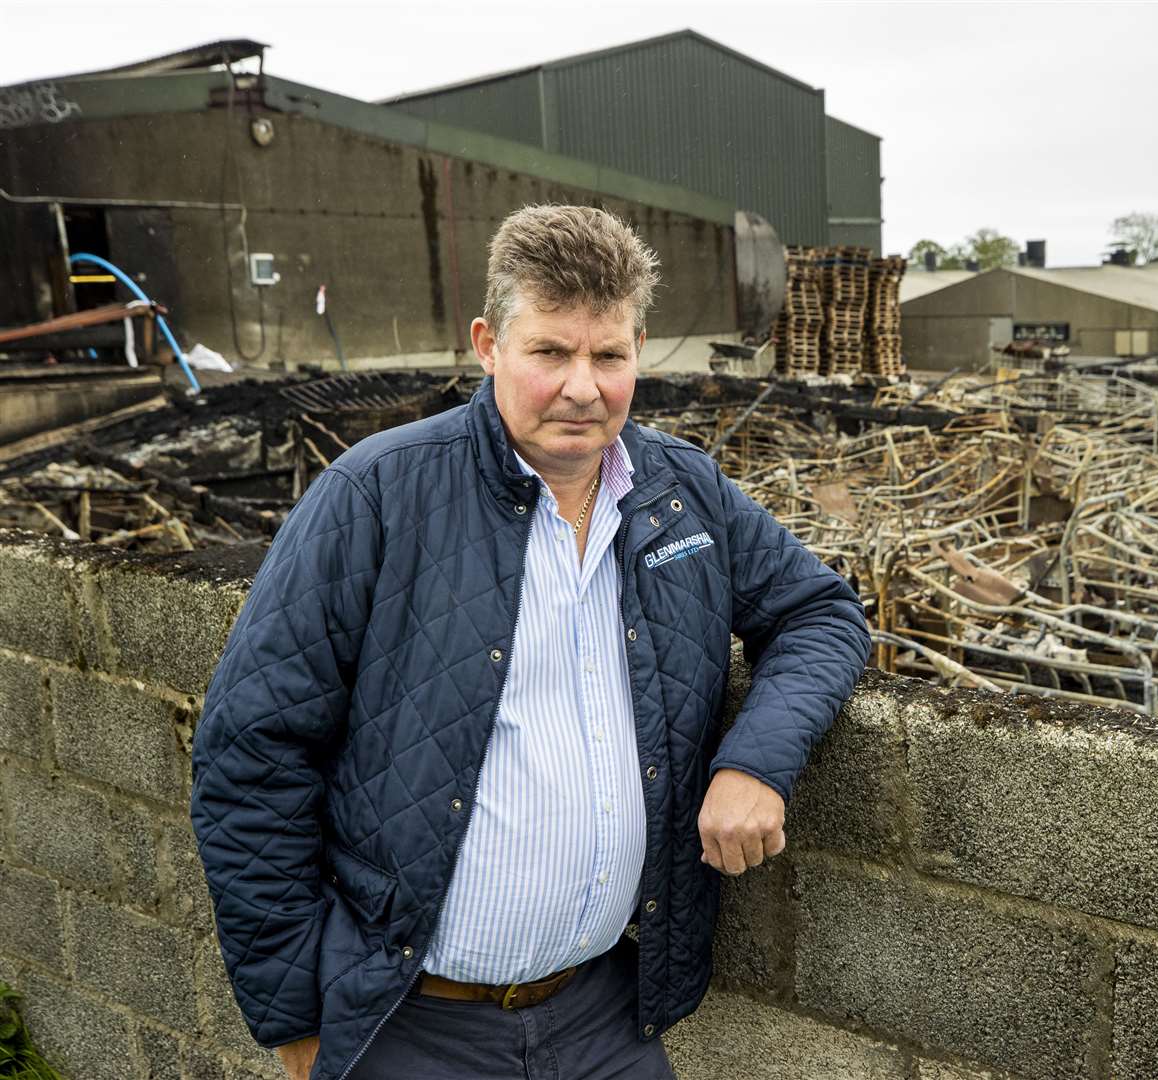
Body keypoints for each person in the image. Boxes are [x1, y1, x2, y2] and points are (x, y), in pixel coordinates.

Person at [191, 204, 871, 1080]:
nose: (582, 387)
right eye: (550, 352)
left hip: (604, 1016)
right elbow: (251, 754)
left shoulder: (679, 490)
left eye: (609, 355)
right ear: (488, 343)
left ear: (639, 349)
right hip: (412, 1027)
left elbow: (822, 613)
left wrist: (755, 761)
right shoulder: (377, 495)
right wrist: (296, 1021)